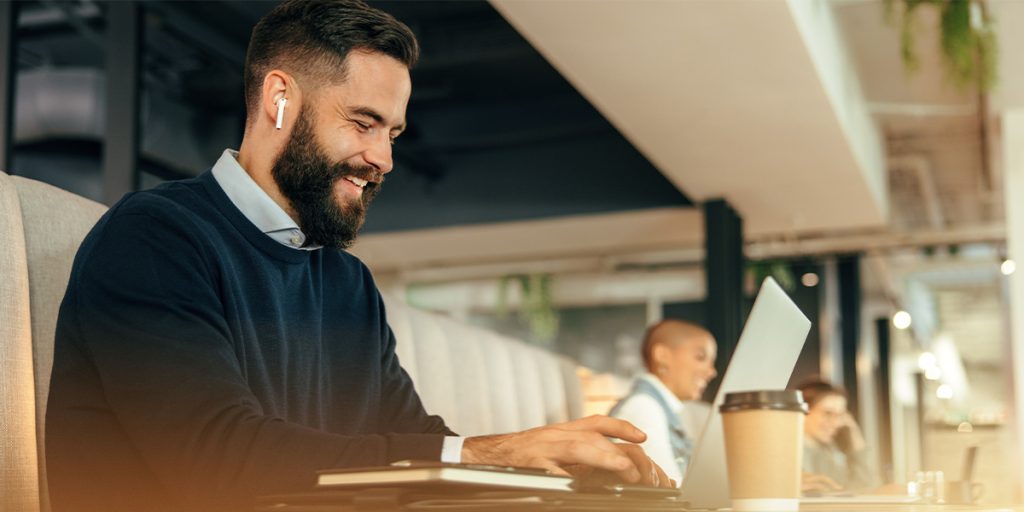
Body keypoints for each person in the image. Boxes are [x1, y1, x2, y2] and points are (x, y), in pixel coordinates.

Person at [44, 2, 671, 511]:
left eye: (392, 134)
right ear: (279, 98)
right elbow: (218, 460)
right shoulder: (156, 237)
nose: (384, 160)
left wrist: (552, 470)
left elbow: (417, 444)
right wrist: (489, 454)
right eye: (364, 122)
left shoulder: (344, 281)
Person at [608, 320, 719, 487]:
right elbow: (668, 491)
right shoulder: (644, 407)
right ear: (662, 355)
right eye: (700, 357)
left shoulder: (656, 407)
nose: (711, 372)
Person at [797, 379, 880, 493]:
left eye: (840, 415)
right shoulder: (787, 452)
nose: (836, 423)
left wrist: (856, 438)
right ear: (802, 412)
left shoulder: (827, 451)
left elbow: (863, 487)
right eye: (828, 413)